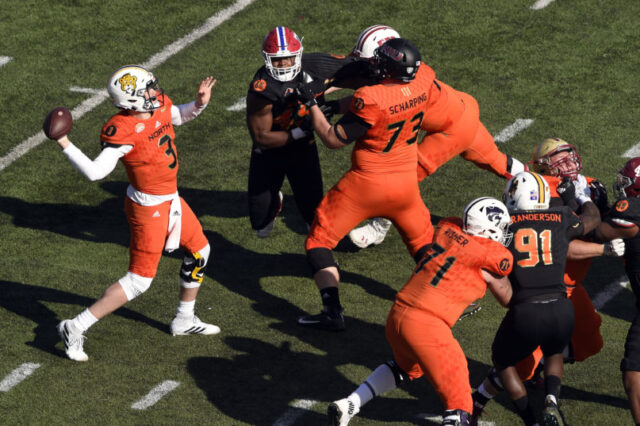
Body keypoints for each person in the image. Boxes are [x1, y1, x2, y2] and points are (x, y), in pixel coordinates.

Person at [51, 66, 219, 362]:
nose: (155, 92)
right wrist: (64, 142)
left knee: (200, 250)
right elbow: (95, 172)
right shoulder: (123, 129)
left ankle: (184, 319)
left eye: (153, 86)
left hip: (170, 199)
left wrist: (199, 104)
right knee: (139, 281)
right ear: (130, 101)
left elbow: (179, 115)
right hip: (148, 208)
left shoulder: (161, 106)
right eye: (148, 90)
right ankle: (75, 327)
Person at [471, 138, 624, 423]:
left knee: (590, 341)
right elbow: (564, 244)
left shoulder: (589, 184)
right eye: (560, 160)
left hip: (570, 287)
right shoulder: (541, 194)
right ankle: (477, 399)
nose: (569, 164)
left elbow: (601, 226)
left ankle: (538, 372)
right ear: (545, 168)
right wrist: (601, 247)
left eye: (570, 157)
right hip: (547, 282)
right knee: (521, 364)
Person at [327, 197, 514, 426]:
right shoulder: (489, 256)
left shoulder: (448, 229)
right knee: (459, 400)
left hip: (398, 315)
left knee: (406, 368)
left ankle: (349, 405)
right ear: (489, 228)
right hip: (427, 326)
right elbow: (507, 297)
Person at [343, 27, 526, 250]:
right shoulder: (411, 71)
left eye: (375, 60)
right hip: (463, 107)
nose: (372, 64)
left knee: (403, 178)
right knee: (499, 162)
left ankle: (378, 228)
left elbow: (379, 109)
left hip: (451, 132)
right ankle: (545, 187)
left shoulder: (397, 88)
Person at [295, 38, 435, 331]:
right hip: (406, 184)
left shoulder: (371, 98)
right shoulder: (424, 79)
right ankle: (448, 299)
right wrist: (337, 104)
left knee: (318, 241)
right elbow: (389, 103)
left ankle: (332, 310)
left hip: (366, 184)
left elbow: (333, 139)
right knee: (424, 248)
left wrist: (312, 105)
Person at [487, 171, 600, 425]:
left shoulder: (507, 224)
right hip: (562, 308)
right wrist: (582, 198)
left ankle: (531, 420)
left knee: (503, 361)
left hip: (526, 309)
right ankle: (551, 400)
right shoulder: (559, 216)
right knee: (554, 350)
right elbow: (591, 220)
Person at [246, 26, 351, 238]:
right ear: (267, 59)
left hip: (303, 150)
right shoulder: (262, 88)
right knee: (261, 226)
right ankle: (274, 202)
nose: (284, 64)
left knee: (313, 217)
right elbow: (261, 138)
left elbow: (351, 68)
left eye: (289, 58)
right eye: (277, 60)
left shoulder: (314, 65)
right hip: (270, 152)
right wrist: (302, 131)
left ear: (299, 55)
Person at [589, 157, 640, 425]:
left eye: (628, 180)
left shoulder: (630, 209)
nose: (623, 184)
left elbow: (596, 233)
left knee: (634, 370)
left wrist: (589, 205)